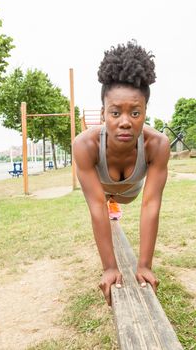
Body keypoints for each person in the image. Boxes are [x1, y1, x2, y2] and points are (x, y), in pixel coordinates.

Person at [73, 40, 170, 306]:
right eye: (115, 112)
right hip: (103, 190)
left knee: (117, 201)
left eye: (135, 112)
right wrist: (109, 268)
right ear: (104, 112)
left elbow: (150, 205)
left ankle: (115, 202)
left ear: (145, 112)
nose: (125, 121)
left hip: (131, 192)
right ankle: (113, 202)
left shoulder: (157, 144)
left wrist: (145, 265)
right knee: (104, 203)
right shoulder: (85, 145)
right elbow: (95, 206)